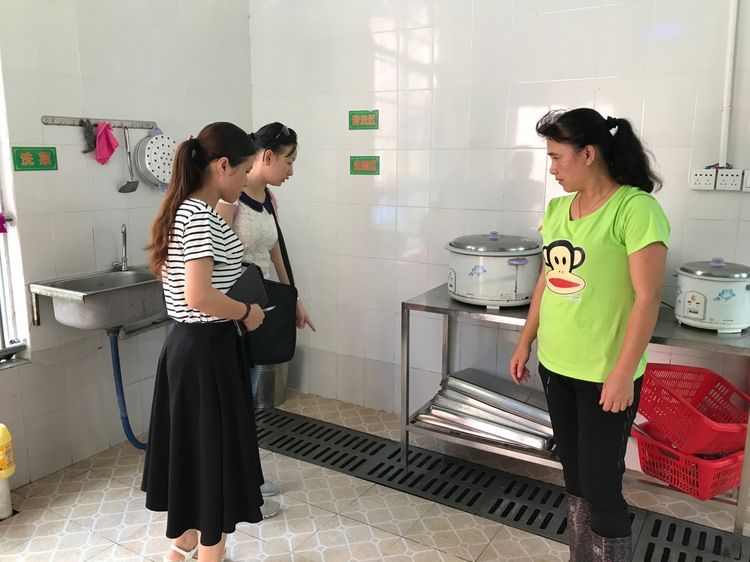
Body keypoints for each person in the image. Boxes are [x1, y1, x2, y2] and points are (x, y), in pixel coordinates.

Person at [509, 108, 669, 562]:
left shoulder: (635, 209)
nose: (552, 169)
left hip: (605, 374)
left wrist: (622, 373)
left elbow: (647, 299)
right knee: (575, 477)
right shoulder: (557, 209)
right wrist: (525, 341)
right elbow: (546, 282)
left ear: (588, 154)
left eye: (557, 158)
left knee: (601, 485)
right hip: (556, 364)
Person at [142, 122, 271, 562]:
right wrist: (246, 313)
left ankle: (184, 544)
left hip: (190, 347)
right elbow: (198, 295)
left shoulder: (188, 210)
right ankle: (210, 553)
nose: (246, 180)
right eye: (244, 171)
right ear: (222, 166)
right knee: (213, 454)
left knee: (194, 450)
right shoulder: (197, 216)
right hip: (206, 351)